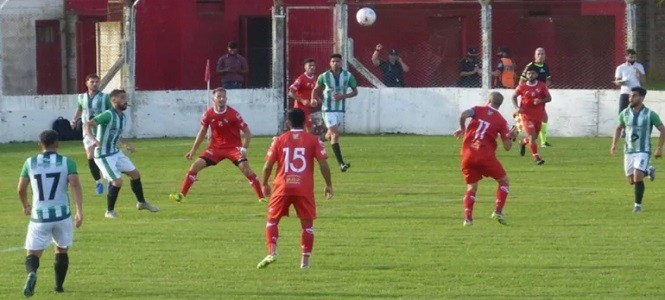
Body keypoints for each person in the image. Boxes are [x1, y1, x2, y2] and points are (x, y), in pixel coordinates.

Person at [256, 108, 333, 269]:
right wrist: (328, 185)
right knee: (307, 226)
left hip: (282, 187)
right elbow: (323, 164)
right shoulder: (313, 140)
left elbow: (268, 165)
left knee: (272, 221)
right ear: (305, 122)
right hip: (303, 188)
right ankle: (304, 263)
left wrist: (264, 183)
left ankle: (272, 251)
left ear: (288, 122)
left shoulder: (279, 140)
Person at [169, 87, 265, 202]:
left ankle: (261, 198)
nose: (222, 99)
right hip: (215, 149)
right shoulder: (208, 114)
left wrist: (244, 149)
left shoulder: (233, 114)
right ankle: (182, 195)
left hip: (233, 148)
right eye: (219, 96)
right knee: (195, 166)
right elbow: (202, 132)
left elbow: (247, 133)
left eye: (224, 96)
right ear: (213, 99)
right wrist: (193, 150)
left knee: (246, 169)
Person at [18, 130, 84, 296]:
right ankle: (58, 287)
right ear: (57, 143)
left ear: (40, 144)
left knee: (33, 252)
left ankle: (32, 272)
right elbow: (75, 185)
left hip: (39, 216)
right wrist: (79, 211)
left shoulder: (30, 162)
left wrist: (26, 205)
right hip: (62, 215)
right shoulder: (67, 162)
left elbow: (21, 189)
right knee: (62, 249)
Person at [83, 89, 159, 218]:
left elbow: (117, 134)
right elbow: (87, 124)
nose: (125, 101)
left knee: (135, 174)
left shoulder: (122, 117)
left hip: (115, 152)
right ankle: (109, 211)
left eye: (126, 98)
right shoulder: (108, 114)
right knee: (117, 182)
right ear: (114, 100)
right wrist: (93, 139)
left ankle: (141, 203)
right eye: (122, 98)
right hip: (103, 154)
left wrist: (125, 144)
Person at [453, 92, 518, 226]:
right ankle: (498, 211)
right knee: (504, 181)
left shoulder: (477, 110)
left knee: (471, 187)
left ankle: (468, 219)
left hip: (467, 155)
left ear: (488, 100)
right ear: (500, 104)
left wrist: (462, 127)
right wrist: (511, 136)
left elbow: (463, 114)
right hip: (485, 156)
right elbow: (507, 147)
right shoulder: (501, 121)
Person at [610, 87, 664, 213]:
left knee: (637, 177)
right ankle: (649, 171)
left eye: (634, 96)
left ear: (641, 97)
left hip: (643, 150)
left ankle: (637, 206)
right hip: (628, 151)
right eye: (630, 96)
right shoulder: (625, 113)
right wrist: (614, 144)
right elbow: (618, 128)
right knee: (631, 181)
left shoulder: (650, 114)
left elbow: (663, 130)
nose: (630, 98)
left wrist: (659, 148)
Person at [311, 53, 358, 172]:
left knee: (330, 135)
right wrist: (313, 99)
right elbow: (316, 89)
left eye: (337, 61)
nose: (335, 63)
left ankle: (318, 140)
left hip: (340, 109)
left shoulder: (348, 76)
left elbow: (355, 92)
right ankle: (341, 163)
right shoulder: (324, 76)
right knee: (335, 135)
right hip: (328, 109)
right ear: (330, 63)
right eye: (333, 61)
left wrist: (343, 96)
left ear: (341, 62)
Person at [70, 74, 112, 195]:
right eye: (92, 82)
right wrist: (74, 119)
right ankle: (98, 182)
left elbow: (111, 112)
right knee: (90, 156)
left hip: (102, 131)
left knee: (103, 156)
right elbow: (80, 109)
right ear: (86, 83)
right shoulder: (81, 97)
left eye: (96, 82)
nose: (95, 84)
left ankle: (109, 179)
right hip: (87, 131)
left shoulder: (105, 97)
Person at [512, 66, 552, 165]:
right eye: (529, 73)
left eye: (533, 73)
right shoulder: (522, 86)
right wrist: (517, 107)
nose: (531, 75)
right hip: (526, 116)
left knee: (533, 138)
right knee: (531, 137)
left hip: (538, 116)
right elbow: (513, 97)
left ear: (536, 75)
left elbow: (549, 98)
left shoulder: (542, 86)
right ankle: (537, 157)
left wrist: (541, 100)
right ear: (526, 75)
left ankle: (522, 142)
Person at [520, 48, 552, 147]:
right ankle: (541, 141)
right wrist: (527, 93)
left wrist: (545, 87)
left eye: (542, 54)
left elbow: (548, 80)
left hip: (540, 98)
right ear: (535, 55)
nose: (540, 56)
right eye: (538, 54)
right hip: (530, 98)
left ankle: (541, 141)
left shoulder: (546, 67)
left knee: (543, 118)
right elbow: (521, 82)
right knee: (539, 118)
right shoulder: (530, 66)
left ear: (545, 55)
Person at [288, 58, 318, 133]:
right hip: (300, 108)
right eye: (310, 65)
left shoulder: (314, 78)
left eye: (313, 65)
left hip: (308, 108)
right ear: (305, 67)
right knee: (306, 128)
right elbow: (291, 93)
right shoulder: (301, 79)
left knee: (307, 128)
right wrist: (302, 100)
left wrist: (316, 99)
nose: (312, 67)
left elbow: (313, 91)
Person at [613, 49, 646, 116]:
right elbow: (617, 81)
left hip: (636, 93)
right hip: (625, 92)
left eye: (634, 57)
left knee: (636, 111)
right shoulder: (620, 67)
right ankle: (622, 126)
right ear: (626, 57)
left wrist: (639, 73)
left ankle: (635, 125)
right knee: (622, 112)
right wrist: (621, 83)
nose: (633, 59)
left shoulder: (639, 66)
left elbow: (644, 81)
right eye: (631, 57)